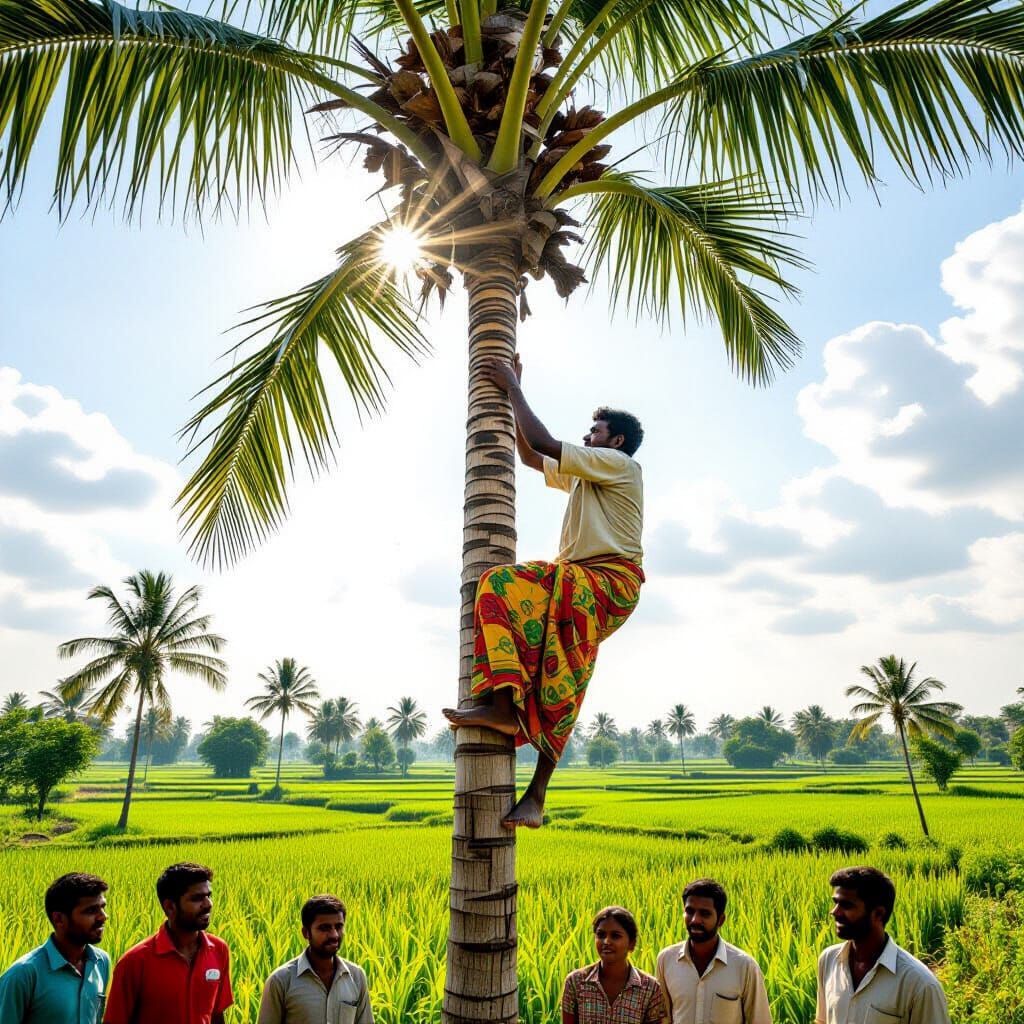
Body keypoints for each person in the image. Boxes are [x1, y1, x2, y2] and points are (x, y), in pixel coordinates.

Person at [444, 355, 645, 827]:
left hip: (605, 582)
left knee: (500, 586)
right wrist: (514, 391)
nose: (587, 437)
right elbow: (531, 456)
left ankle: (504, 717)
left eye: (593, 431)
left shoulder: (617, 465)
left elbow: (541, 441)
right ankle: (530, 783)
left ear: (614, 441)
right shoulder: (588, 472)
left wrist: (513, 386)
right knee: (552, 666)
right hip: (581, 580)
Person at [815, 866, 950, 1024]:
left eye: (846, 905)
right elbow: (822, 1020)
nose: (835, 912)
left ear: (878, 914)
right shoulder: (828, 960)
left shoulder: (920, 985)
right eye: (835, 903)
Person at [103, 862, 233, 1024]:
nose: (208, 904)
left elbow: (216, 1015)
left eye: (209, 896)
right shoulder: (134, 962)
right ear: (170, 907)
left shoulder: (219, 950)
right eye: (197, 898)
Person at [656, 878, 772, 1024]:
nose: (695, 920)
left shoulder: (744, 966)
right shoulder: (666, 960)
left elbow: (760, 1020)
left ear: (721, 920)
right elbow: (663, 1018)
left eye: (705, 914)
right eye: (689, 911)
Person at [0, 872, 110, 1024]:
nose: (103, 917)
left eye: (103, 907)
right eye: (91, 911)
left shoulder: (101, 961)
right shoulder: (22, 975)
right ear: (59, 919)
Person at [257, 894, 373, 1024]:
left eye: (339, 927)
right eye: (325, 928)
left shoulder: (356, 977)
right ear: (306, 933)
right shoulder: (280, 981)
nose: (334, 935)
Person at [562, 906, 663, 1024]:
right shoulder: (576, 982)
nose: (606, 942)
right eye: (601, 935)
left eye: (615, 936)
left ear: (632, 943)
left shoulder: (650, 988)